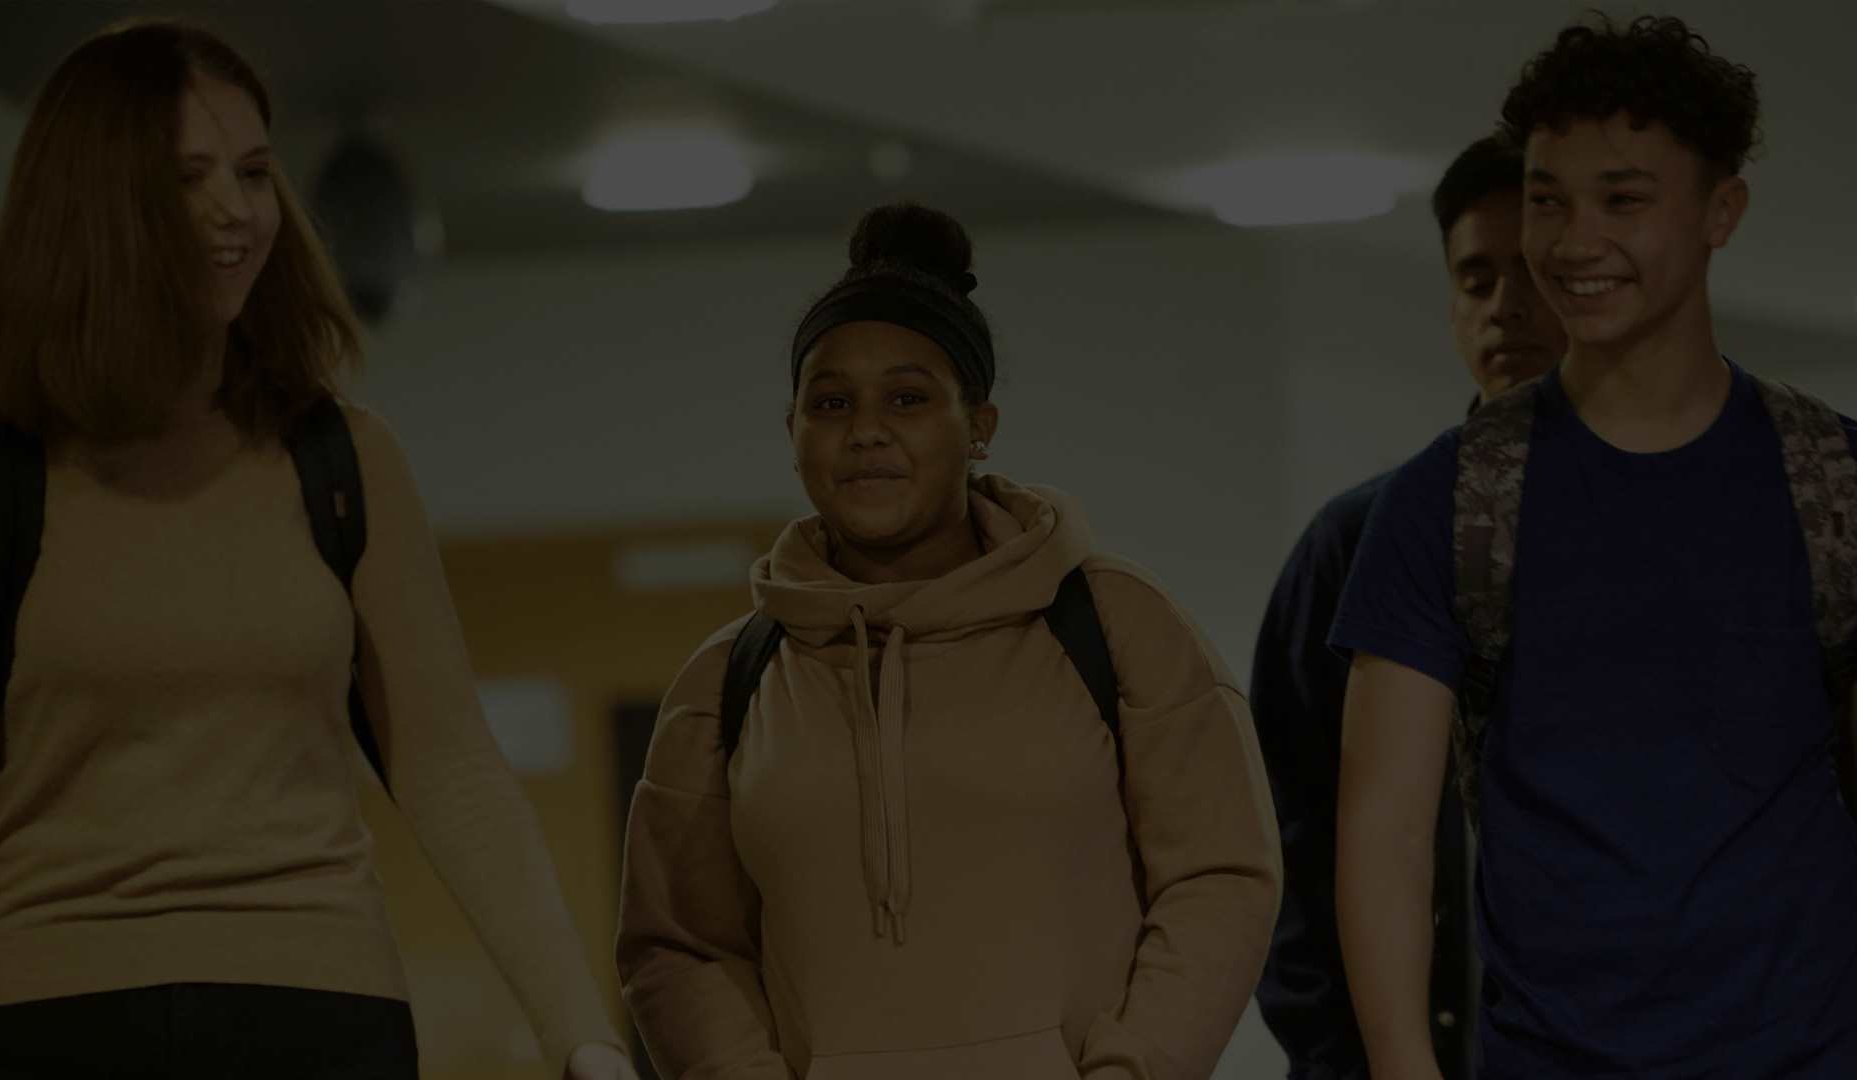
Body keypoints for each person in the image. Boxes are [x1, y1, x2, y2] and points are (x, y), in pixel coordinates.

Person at [0, 20, 634, 1079]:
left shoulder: (344, 463)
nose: (236, 211)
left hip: (317, 1012)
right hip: (47, 1017)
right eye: (190, 177)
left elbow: (449, 766)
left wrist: (581, 1034)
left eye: (256, 173)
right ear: (98, 206)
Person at [615, 202, 1281, 1080]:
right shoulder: (728, 680)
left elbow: (1218, 877)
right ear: (793, 435)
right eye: (830, 402)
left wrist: (1134, 1070)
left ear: (978, 426)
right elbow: (680, 945)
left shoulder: (1116, 626)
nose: (867, 430)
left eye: (907, 397)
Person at [1332, 14, 1857, 1078]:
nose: (1574, 242)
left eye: (1623, 199)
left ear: (1722, 212)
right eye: (1547, 200)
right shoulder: (1449, 498)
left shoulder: (1834, 481)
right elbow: (1381, 834)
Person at [1250, 133, 1566, 1080]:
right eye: (1475, 279)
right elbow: (1279, 831)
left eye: (1532, 273)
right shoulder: (1358, 543)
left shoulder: (1684, 522)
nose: (1505, 307)